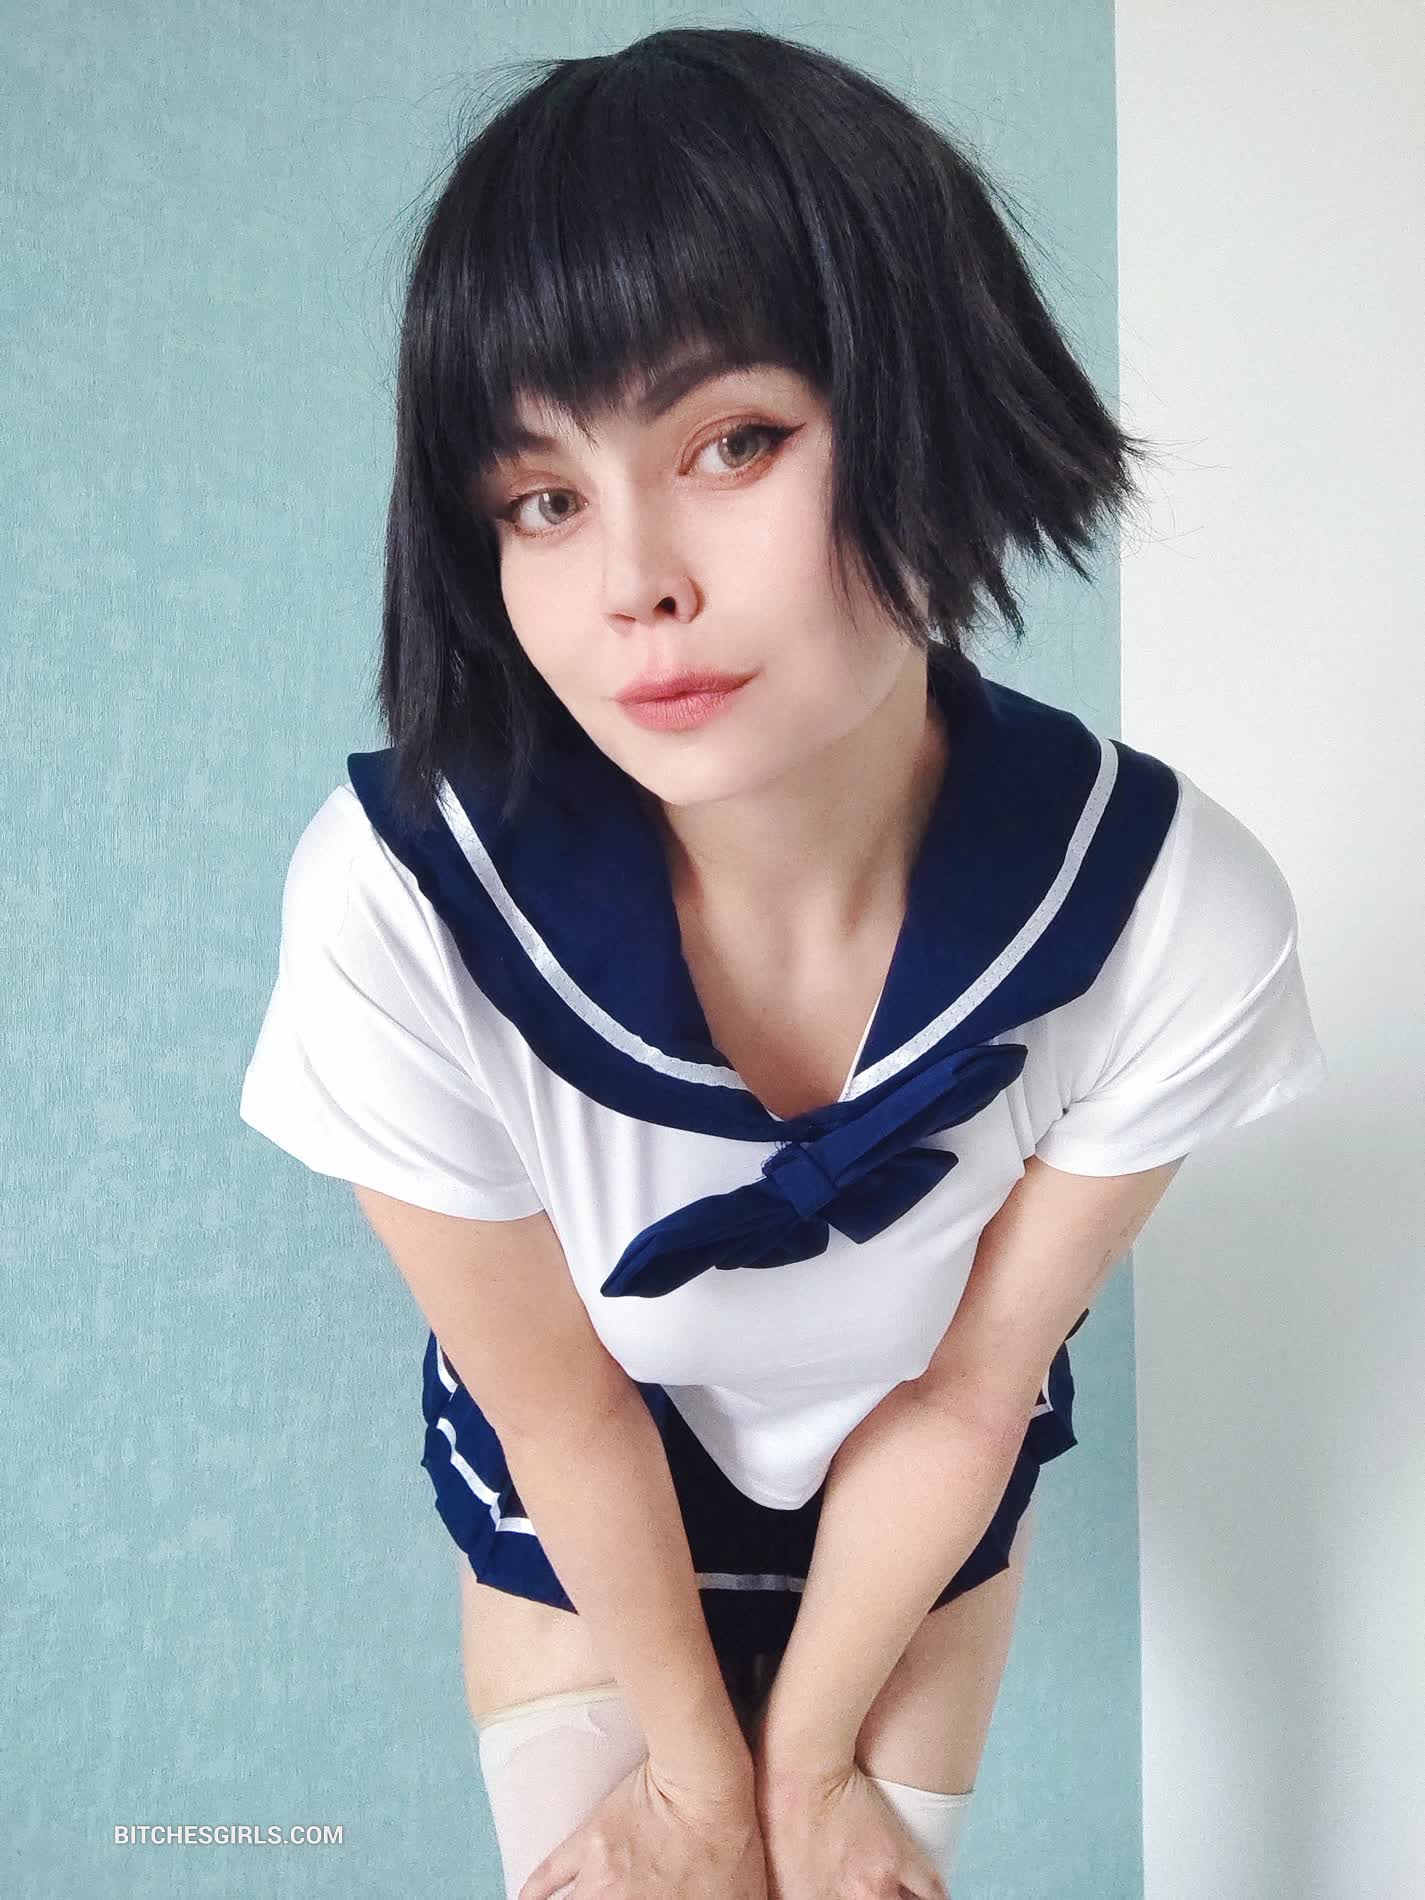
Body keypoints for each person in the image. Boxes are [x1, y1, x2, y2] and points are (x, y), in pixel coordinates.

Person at [238, 25, 1329, 1899]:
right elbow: (560, 1406)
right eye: (542, 498)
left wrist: (805, 1765)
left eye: (731, 441)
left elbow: (971, 1393)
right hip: (583, 1466)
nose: (632, 583)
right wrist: (696, 1788)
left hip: (928, 1457)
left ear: (931, 400)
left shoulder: (1168, 910)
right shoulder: (401, 901)